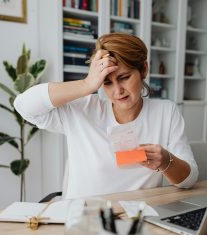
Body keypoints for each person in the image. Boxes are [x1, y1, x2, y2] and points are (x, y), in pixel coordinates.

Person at [14, 33, 198, 199]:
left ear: (143, 69)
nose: (118, 91)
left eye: (125, 77)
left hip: (139, 220)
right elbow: (23, 106)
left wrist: (166, 161)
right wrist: (86, 85)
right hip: (85, 221)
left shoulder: (166, 112)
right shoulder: (82, 110)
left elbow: (188, 180)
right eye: (107, 82)